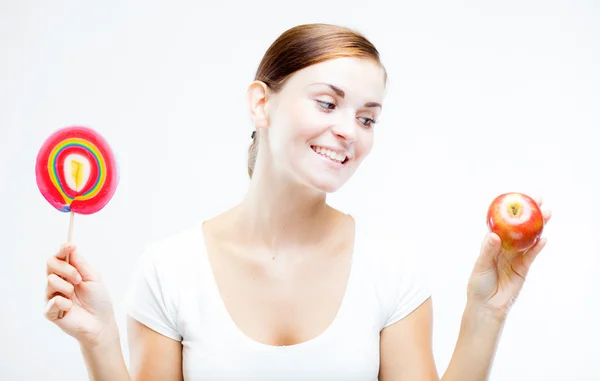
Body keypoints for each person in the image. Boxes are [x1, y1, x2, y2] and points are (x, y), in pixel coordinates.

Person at [44, 23, 551, 380]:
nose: (348, 131)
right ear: (261, 103)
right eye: (328, 103)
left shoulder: (391, 270)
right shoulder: (170, 270)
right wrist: (100, 339)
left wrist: (487, 311)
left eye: (367, 117)